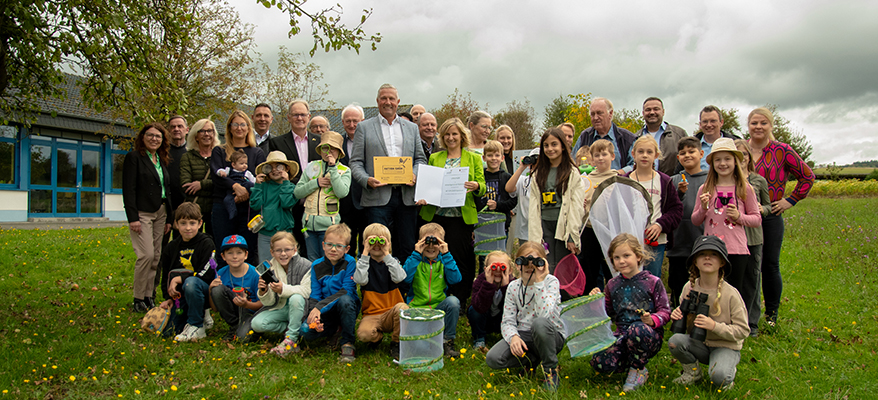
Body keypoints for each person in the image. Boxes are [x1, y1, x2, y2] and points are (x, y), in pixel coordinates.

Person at [746, 107, 814, 328]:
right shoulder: (741, 149)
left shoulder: (781, 150)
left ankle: (771, 314)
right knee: (746, 264)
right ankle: (743, 311)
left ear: (771, 126)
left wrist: (790, 200)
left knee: (770, 264)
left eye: (763, 123)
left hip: (770, 215)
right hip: (743, 216)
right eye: (754, 123)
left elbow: (807, 176)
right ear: (748, 125)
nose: (758, 127)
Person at [350, 84, 427, 263]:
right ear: (377, 102)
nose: (388, 102)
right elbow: (355, 162)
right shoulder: (364, 127)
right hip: (377, 196)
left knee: (407, 246)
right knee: (377, 246)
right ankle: (378, 288)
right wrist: (366, 179)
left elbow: (420, 159)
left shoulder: (412, 128)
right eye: (383, 98)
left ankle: (404, 289)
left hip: (406, 196)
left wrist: (414, 174)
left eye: (391, 98)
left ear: (398, 102)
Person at [589, 233, 671, 392]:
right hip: (622, 336)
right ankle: (630, 361)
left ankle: (638, 369)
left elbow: (666, 311)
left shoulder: (653, 282)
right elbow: (607, 313)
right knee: (599, 362)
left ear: (638, 256)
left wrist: (653, 319)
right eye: (617, 257)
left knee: (636, 329)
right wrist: (595, 302)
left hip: (647, 336)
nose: (622, 261)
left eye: (627, 255)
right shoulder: (612, 285)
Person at [416, 117, 485, 303]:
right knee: (435, 256)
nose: (451, 137)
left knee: (460, 258)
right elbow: (429, 184)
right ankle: (440, 296)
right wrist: (423, 195)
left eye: (454, 133)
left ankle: (461, 298)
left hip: (460, 219)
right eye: (447, 134)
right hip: (436, 216)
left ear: (462, 136)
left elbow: (483, 187)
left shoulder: (474, 158)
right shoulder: (434, 157)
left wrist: (476, 185)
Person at [668, 235, 749, 390]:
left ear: (722, 262)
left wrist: (714, 326)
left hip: (725, 345)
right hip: (700, 343)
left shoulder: (731, 294)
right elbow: (684, 326)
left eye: (713, 254)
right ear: (695, 261)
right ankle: (693, 373)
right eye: (701, 254)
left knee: (719, 378)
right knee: (675, 341)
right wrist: (678, 316)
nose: (707, 257)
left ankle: (726, 370)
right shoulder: (689, 288)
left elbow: (743, 330)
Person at [485, 242, 564, 392]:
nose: (530, 266)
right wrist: (513, 337)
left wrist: (539, 281)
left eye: (535, 261)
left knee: (539, 324)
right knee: (493, 358)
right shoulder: (513, 287)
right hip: (524, 335)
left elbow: (544, 315)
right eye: (524, 261)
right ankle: (531, 361)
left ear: (543, 263)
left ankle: (550, 370)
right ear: (517, 264)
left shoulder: (551, 282)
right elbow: (507, 320)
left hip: (550, 335)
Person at [691, 138, 762, 303]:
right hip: (712, 248)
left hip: (736, 249)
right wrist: (703, 207)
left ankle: (734, 326)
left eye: (727, 159)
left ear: (735, 162)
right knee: (711, 290)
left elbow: (756, 219)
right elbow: (695, 220)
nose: (723, 163)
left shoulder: (745, 188)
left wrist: (739, 217)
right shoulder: (705, 188)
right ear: (712, 163)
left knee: (734, 293)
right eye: (718, 160)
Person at [123, 122, 173, 312]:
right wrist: (132, 217)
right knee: (146, 255)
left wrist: (169, 218)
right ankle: (138, 297)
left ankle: (148, 296)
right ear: (142, 138)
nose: (154, 139)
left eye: (158, 136)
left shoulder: (161, 159)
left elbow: (166, 189)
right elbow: (129, 189)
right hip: (142, 212)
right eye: (150, 135)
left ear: (162, 140)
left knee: (156, 256)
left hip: (161, 212)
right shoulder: (134, 158)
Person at [210, 110, 266, 266]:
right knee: (224, 249)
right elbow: (216, 176)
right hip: (223, 206)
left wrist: (246, 192)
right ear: (229, 128)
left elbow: (261, 179)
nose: (239, 128)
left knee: (247, 249)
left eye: (243, 124)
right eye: (235, 124)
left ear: (249, 128)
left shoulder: (257, 152)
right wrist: (235, 186)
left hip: (249, 209)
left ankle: (247, 287)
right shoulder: (219, 151)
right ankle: (223, 287)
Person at [624, 136, 683, 278]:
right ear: (633, 154)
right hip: (629, 241)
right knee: (629, 278)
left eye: (649, 152)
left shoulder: (664, 181)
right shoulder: (624, 181)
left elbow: (676, 210)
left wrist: (660, 225)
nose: (645, 155)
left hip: (655, 241)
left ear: (656, 155)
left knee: (652, 279)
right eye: (641, 151)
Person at [527, 128, 585, 270]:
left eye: (554, 144)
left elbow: (576, 206)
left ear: (563, 147)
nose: (550, 149)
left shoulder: (572, 173)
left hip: (563, 227)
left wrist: (572, 235)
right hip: (544, 225)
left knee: (563, 268)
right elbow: (534, 208)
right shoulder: (537, 174)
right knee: (545, 266)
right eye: (546, 145)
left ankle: (563, 293)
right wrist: (535, 238)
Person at [158, 202, 216, 342]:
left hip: (201, 289)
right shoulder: (171, 248)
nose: (188, 228)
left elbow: (206, 274)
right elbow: (166, 274)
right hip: (180, 295)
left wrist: (180, 279)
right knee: (169, 332)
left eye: (192, 223)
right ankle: (192, 316)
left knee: (190, 283)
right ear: (176, 224)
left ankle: (197, 324)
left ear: (200, 223)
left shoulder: (206, 243)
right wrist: (167, 297)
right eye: (183, 223)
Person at [402, 223, 462, 357]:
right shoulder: (415, 260)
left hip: (438, 309)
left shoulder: (444, 261)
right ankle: (430, 335)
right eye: (425, 242)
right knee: (420, 349)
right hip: (417, 309)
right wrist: (416, 253)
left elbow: (455, 279)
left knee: (453, 301)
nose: (430, 246)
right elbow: (405, 278)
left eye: (435, 242)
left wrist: (446, 254)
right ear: (419, 243)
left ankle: (448, 341)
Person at [269, 99, 321, 253]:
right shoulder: (277, 142)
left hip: (315, 202)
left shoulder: (319, 141)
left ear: (309, 116)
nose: (299, 118)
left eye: (303, 114)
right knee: (293, 245)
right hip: (291, 201)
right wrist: (302, 188)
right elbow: (277, 173)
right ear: (288, 117)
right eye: (296, 115)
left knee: (314, 246)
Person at [302, 223, 360, 362]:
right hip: (325, 310)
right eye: (329, 245)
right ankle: (332, 330)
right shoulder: (316, 265)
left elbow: (346, 290)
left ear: (347, 249)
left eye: (339, 246)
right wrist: (316, 316)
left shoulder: (350, 262)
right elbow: (315, 294)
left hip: (345, 306)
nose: (333, 249)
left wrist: (319, 307)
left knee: (345, 300)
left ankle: (347, 341)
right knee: (305, 331)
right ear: (323, 245)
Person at [251, 231, 312, 357]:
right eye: (278, 250)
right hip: (281, 308)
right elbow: (269, 302)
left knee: (296, 297)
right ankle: (292, 329)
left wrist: (283, 289)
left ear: (295, 249)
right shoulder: (270, 268)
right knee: (256, 324)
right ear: (272, 252)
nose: (283, 254)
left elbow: (306, 291)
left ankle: (291, 339)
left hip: (300, 307)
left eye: (287, 250)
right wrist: (264, 291)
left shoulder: (306, 265)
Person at [354, 223, 409, 360]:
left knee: (402, 308)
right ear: (365, 243)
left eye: (382, 241)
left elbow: (400, 278)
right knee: (364, 334)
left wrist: (387, 254)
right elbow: (360, 280)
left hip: (392, 312)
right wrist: (365, 253)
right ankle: (376, 338)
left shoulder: (393, 262)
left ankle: (396, 342)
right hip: (372, 313)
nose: (377, 245)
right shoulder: (363, 264)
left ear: (388, 243)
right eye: (372, 241)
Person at [294, 131, 352, 261]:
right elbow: (298, 192)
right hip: (309, 224)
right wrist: (315, 183)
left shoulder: (344, 170)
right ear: (320, 150)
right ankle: (315, 282)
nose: (329, 152)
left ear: (339, 152)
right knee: (312, 260)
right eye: (325, 148)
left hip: (329, 226)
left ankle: (329, 281)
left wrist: (332, 169)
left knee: (329, 260)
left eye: (333, 149)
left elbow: (342, 192)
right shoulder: (311, 166)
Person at [735, 139, 771, 336]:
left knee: (752, 281)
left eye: (745, 155)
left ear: (749, 158)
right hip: (731, 238)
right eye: (737, 155)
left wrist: (761, 209)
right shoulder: (724, 181)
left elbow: (769, 206)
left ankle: (752, 323)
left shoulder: (758, 180)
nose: (741, 159)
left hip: (752, 238)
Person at [667, 137, 708, 307]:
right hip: (678, 242)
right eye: (683, 153)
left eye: (691, 152)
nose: (687, 155)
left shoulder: (710, 179)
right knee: (678, 280)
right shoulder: (674, 180)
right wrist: (679, 193)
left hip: (701, 238)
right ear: (678, 158)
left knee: (702, 278)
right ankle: (678, 313)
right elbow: (668, 206)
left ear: (701, 153)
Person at [578, 140, 619, 292]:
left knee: (612, 270)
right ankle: (591, 306)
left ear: (612, 156)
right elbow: (582, 206)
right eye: (597, 155)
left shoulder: (618, 178)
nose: (601, 158)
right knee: (590, 271)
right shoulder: (586, 179)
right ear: (592, 159)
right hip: (590, 230)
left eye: (604, 154)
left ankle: (614, 305)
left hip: (611, 231)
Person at [209, 235, 262, 341]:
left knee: (243, 338)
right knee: (217, 288)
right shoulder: (220, 273)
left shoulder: (255, 274)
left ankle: (247, 329)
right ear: (223, 256)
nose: (234, 257)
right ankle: (234, 326)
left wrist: (246, 304)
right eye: (229, 253)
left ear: (246, 255)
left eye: (239, 252)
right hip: (233, 312)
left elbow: (262, 305)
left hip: (251, 313)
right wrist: (210, 289)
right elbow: (215, 308)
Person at [250, 151, 299, 264]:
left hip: (284, 232)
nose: (274, 170)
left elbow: (287, 203)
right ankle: (267, 283)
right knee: (266, 265)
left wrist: (286, 182)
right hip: (265, 233)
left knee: (286, 264)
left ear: (287, 169)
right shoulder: (263, 186)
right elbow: (255, 205)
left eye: (279, 166)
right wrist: (257, 185)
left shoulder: (291, 187)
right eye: (269, 167)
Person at [571, 98, 636, 174]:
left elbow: (634, 165)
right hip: (590, 183)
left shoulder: (626, 138)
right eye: (592, 114)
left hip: (618, 183)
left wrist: (616, 174)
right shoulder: (585, 136)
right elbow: (572, 163)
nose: (595, 118)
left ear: (610, 113)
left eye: (599, 113)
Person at [468, 250, 516, 352]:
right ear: (486, 269)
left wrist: (506, 287)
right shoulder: (480, 281)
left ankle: (508, 335)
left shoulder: (514, 284)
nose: (498, 270)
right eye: (493, 267)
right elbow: (478, 306)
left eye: (503, 267)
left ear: (510, 270)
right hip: (486, 319)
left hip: (502, 320)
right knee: (473, 310)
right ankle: (479, 337)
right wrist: (488, 285)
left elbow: (514, 309)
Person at [180, 119, 220, 238]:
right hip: (194, 209)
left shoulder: (220, 156)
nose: (206, 134)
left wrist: (201, 185)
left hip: (214, 208)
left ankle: (211, 258)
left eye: (209, 131)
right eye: (202, 131)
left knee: (212, 243)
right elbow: (186, 184)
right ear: (196, 136)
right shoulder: (187, 157)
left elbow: (221, 182)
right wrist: (212, 185)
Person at [338, 104, 367, 256]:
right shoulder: (337, 144)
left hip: (366, 200)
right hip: (344, 203)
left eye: (355, 121)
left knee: (365, 243)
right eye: (348, 121)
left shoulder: (371, 142)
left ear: (362, 120)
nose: (352, 125)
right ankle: (346, 277)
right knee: (345, 244)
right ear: (342, 122)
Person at [475, 140, 516, 236]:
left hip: (501, 225)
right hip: (481, 225)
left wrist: (497, 205)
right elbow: (475, 201)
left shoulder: (507, 177)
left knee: (499, 251)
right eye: (490, 155)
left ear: (502, 158)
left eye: (497, 155)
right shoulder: (479, 177)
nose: (494, 158)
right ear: (484, 158)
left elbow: (513, 202)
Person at [639, 97, 688, 176]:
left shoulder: (679, 134)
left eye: (656, 109)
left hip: (672, 185)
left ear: (663, 112)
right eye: (648, 110)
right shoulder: (636, 137)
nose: (652, 112)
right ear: (643, 113)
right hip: (643, 185)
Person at [505, 148, 539, 255]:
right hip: (525, 231)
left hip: (542, 230)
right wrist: (521, 167)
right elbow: (509, 188)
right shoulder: (523, 181)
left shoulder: (549, 182)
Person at [695, 105, 738, 171]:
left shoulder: (735, 143)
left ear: (721, 122)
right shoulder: (691, 145)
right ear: (700, 124)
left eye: (713, 121)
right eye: (705, 121)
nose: (709, 125)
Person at [216, 150, 257, 219]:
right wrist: (220, 172)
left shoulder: (247, 173)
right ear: (233, 164)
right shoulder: (229, 170)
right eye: (241, 163)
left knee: (250, 185)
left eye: (246, 163)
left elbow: (253, 180)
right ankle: (232, 212)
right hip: (232, 190)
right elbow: (219, 171)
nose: (244, 165)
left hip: (244, 186)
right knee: (227, 200)